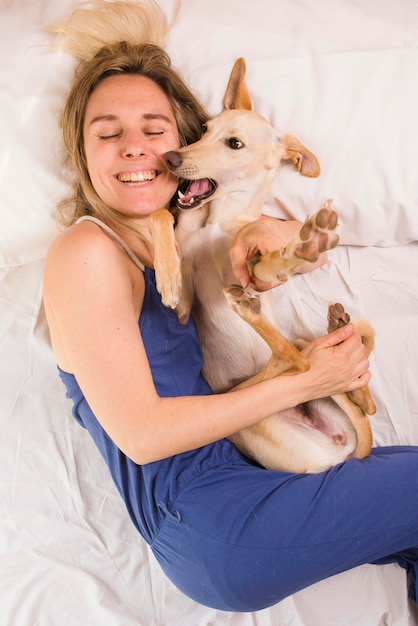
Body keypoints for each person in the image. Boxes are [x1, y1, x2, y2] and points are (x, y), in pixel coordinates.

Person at [43, 1, 418, 613]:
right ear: (84, 158)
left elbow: (258, 249)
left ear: (186, 142)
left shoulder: (191, 238)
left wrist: (275, 246)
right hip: (206, 517)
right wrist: (305, 379)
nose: (135, 146)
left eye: (154, 129)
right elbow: (141, 436)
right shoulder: (86, 251)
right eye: (108, 133)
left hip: (253, 480)